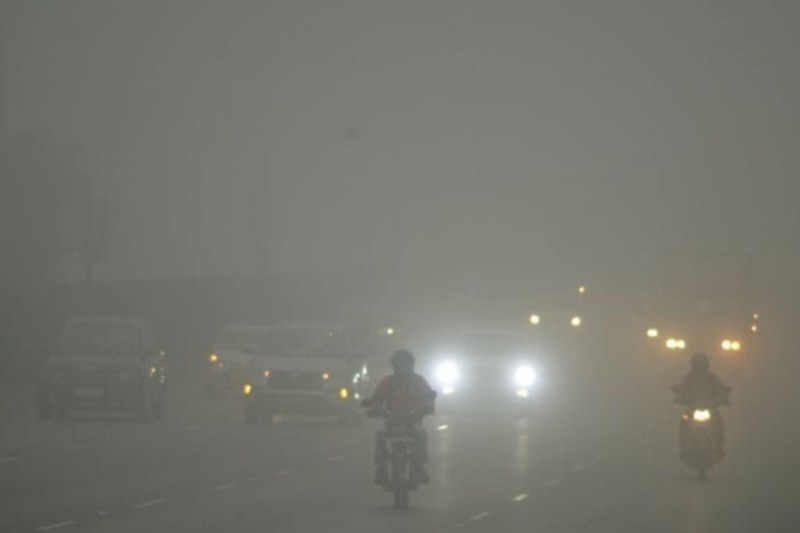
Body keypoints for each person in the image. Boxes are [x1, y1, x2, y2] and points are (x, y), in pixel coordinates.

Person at [362, 349, 436, 485]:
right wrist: (375, 408)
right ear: (394, 365)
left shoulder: (419, 381)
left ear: (411, 365)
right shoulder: (387, 382)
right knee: (380, 435)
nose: (403, 366)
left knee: (421, 434)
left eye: (405, 363)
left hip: (413, 420)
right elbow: (377, 399)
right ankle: (381, 470)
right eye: (400, 363)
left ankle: (420, 467)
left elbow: (428, 397)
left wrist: (427, 407)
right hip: (390, 421)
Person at [672, 353, 730, 458]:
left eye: (701, 366)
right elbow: (681, 389)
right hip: (691, 408)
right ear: (693, 366)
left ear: (706, 366)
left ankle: (719, 447)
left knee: (719, 421)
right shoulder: (688, 378)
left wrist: (723, 398)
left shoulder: (712, 378)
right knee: (684, 422)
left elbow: (721, 389)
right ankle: (683, 447)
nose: (699, 368)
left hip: (710, 408)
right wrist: (679, 397)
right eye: (697, 365)